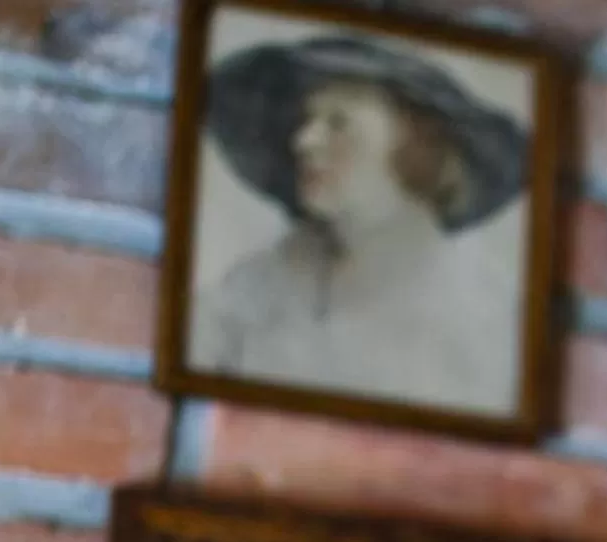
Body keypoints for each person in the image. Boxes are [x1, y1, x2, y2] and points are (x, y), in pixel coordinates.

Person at [188, 31, 530, 416]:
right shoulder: (254, 290)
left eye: (338, 122)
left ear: (418, 143)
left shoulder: (490, 324)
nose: (304, 141)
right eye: (306, 119)